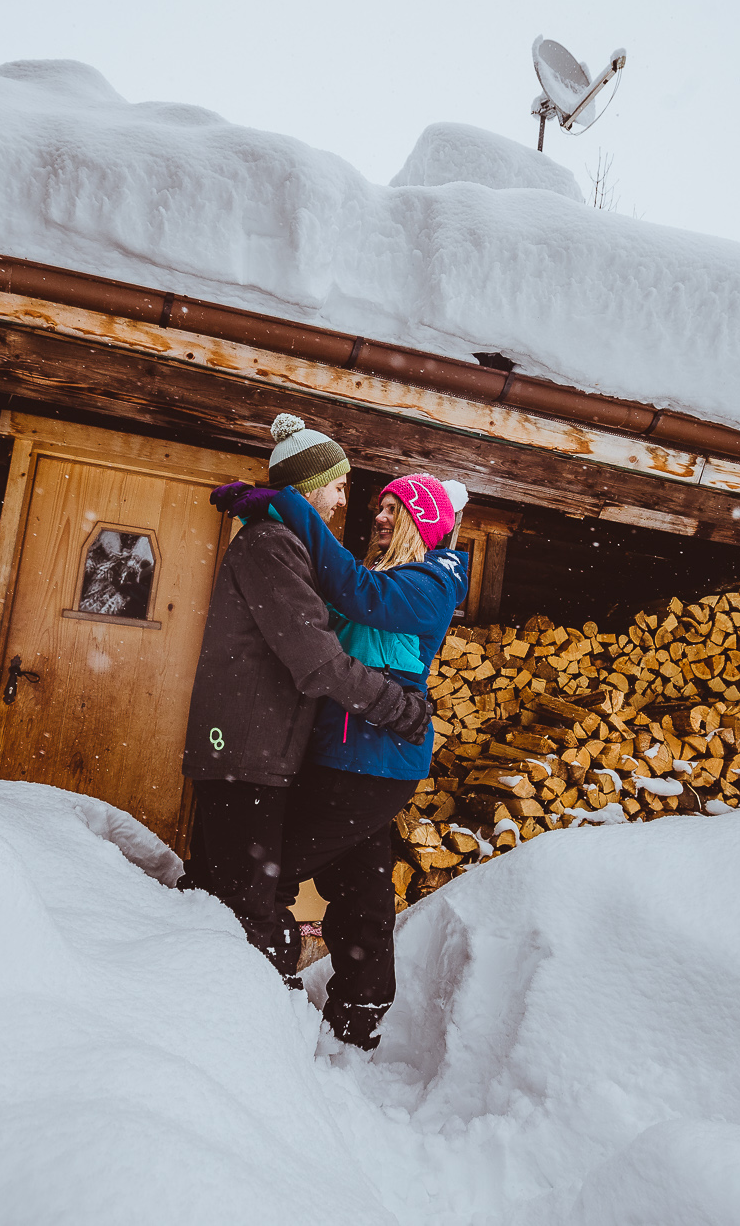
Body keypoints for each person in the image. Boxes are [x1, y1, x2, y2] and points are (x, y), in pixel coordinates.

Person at [178, 414, 432, 1000]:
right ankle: (251, 1010)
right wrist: (397, 706)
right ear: (310, 486)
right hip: (245, 752)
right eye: (338, 486)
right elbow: (317, 660)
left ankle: (229, 1002)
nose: (343, 501)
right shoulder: (271, 544)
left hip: (260, 750)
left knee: (233, 889)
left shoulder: (285, 543)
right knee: (246, 902)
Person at [220, 467, 471, 1049]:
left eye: (393, 509)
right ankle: (359, 1014)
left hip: (375, 763)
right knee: (362, 891)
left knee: (266, 872)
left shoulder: (432, 581)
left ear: (422, 521)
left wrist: (290, 504)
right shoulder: (388, 577)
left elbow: (359, 594)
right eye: (380, 506)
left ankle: (261, 993)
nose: (378, 516)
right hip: (347, 758)